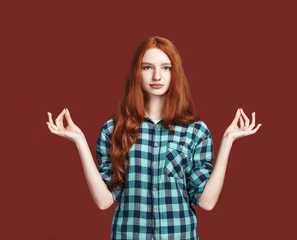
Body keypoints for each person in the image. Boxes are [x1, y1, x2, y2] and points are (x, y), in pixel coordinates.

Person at [46, 36, 262, 240]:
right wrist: (80, 140)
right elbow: (104, 201)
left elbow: (206, 202)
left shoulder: (196, 131)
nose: (157, 76)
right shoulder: (114, 130)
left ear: (174, 73)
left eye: (166, 68)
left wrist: (227, 141)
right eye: (147, 67)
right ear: (136, 73)